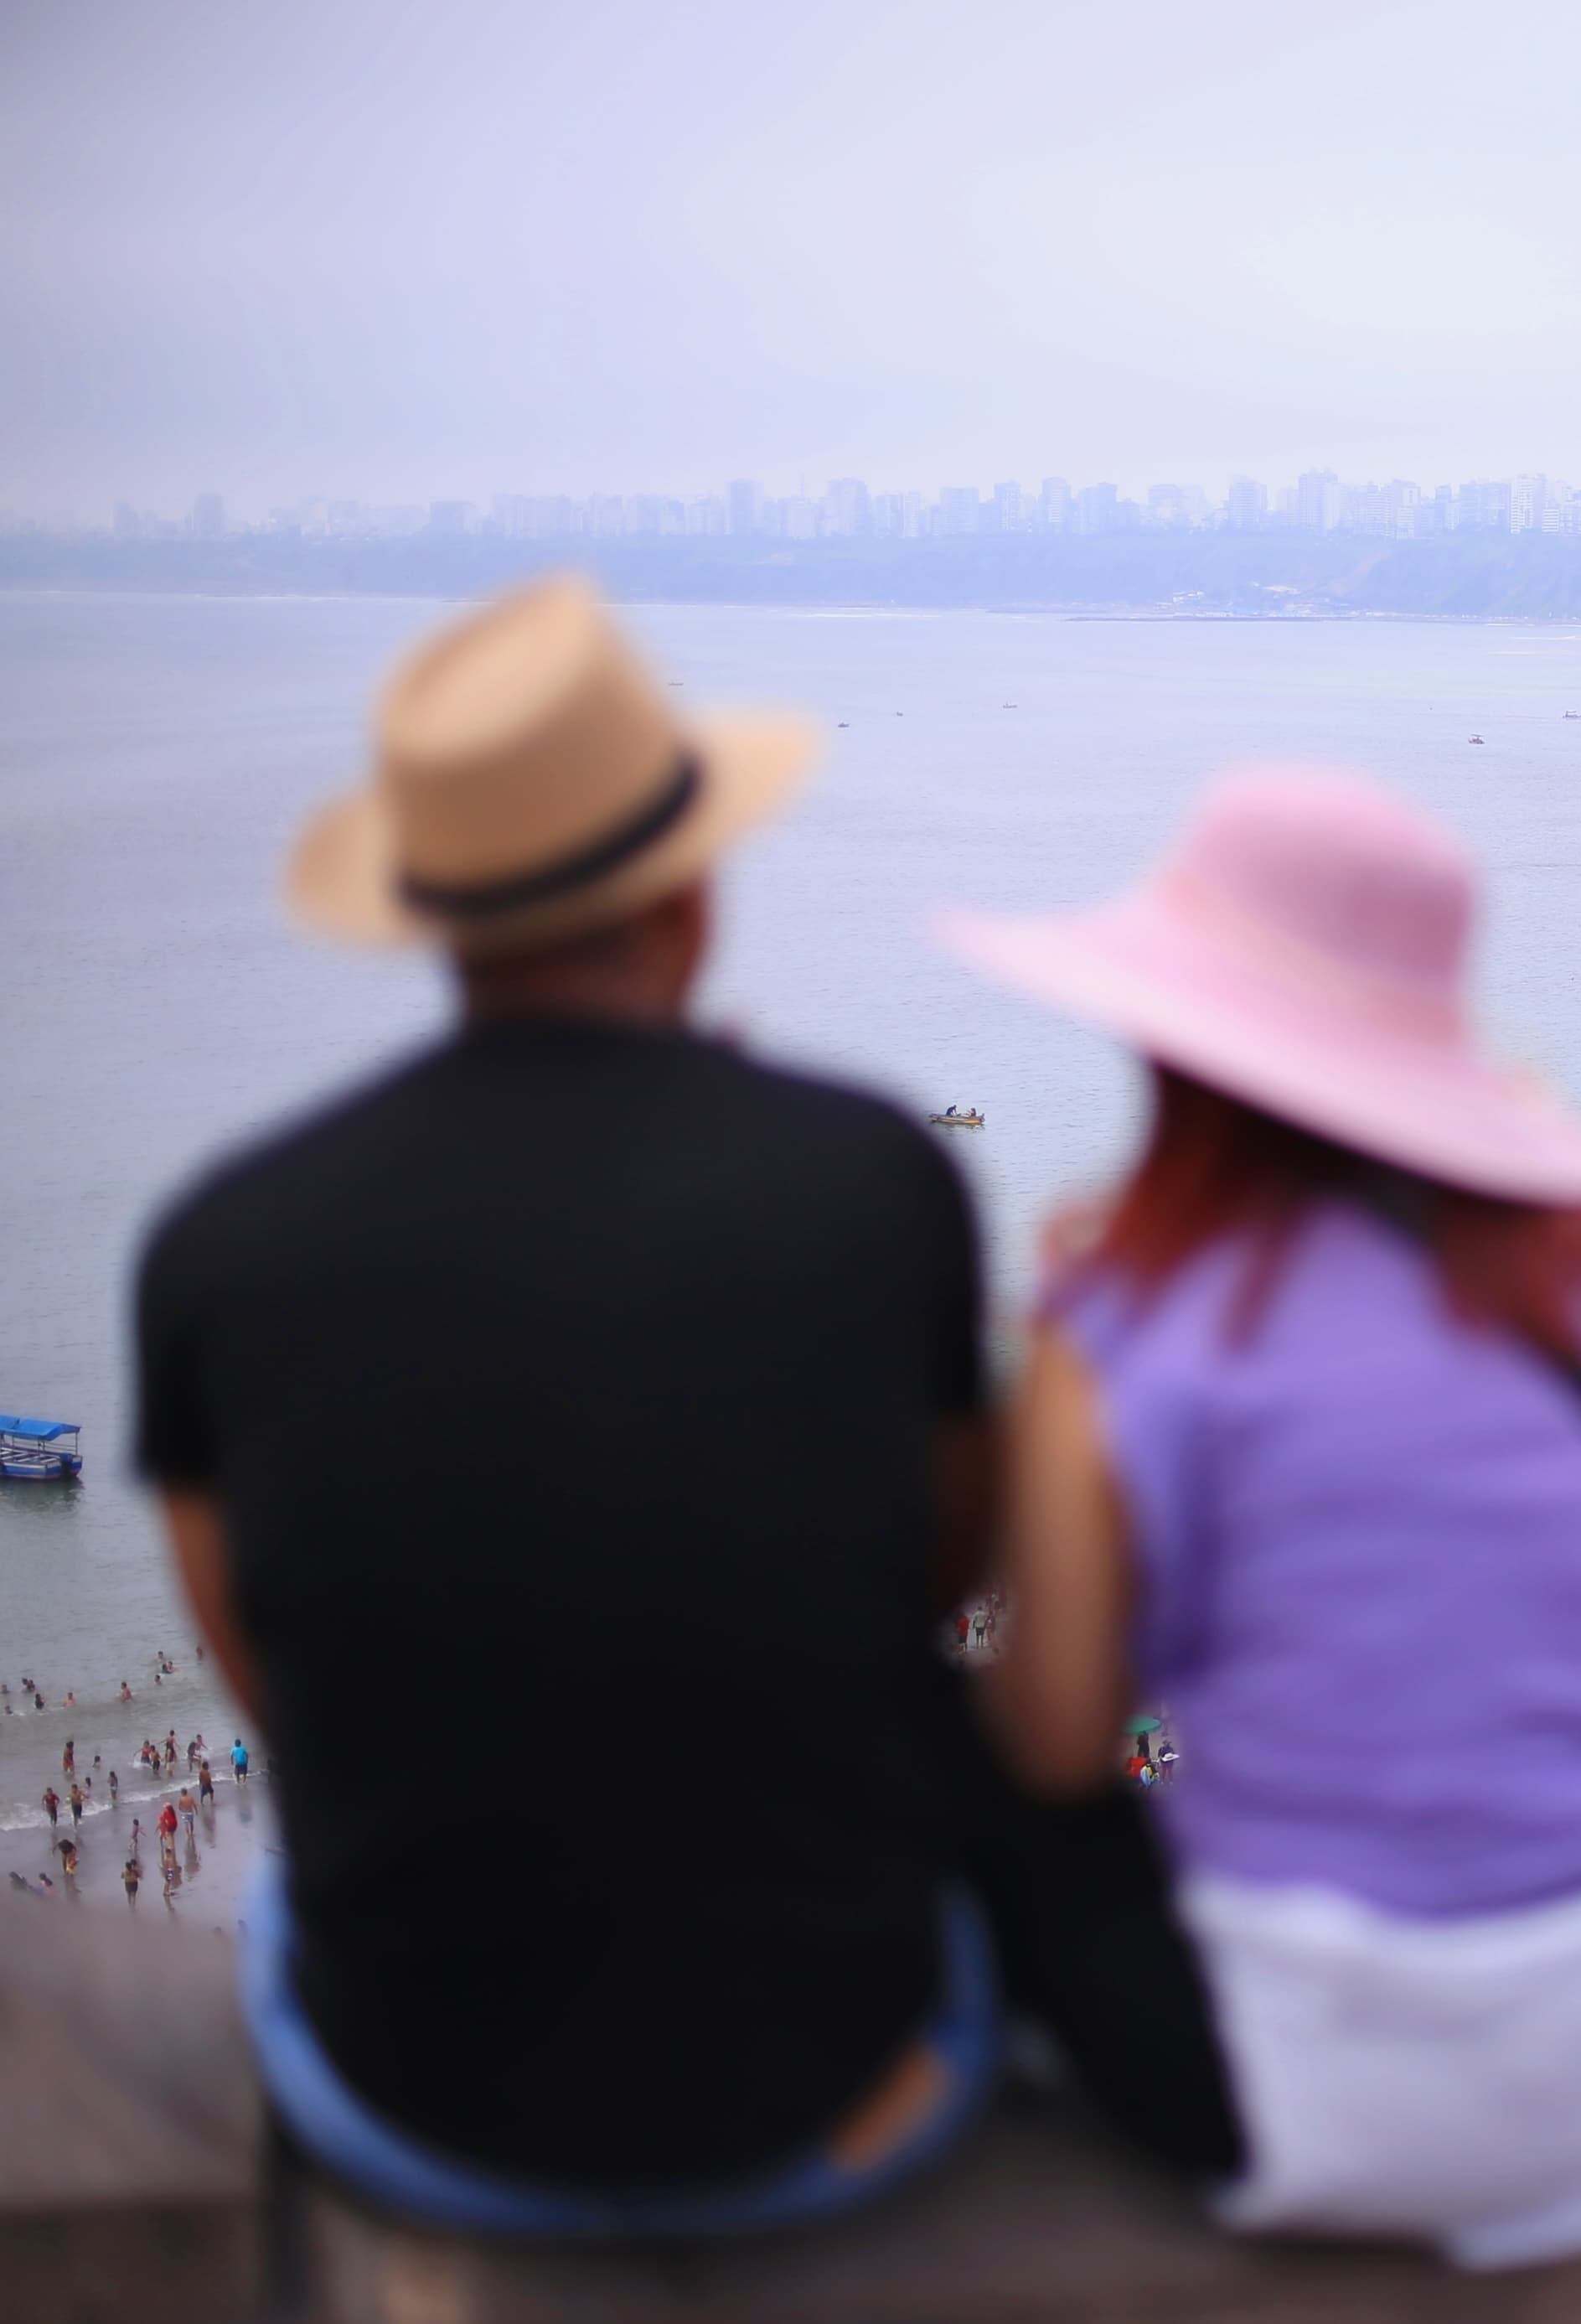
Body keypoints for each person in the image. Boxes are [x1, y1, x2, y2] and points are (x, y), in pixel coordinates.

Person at [956, 774, 1581, 2269]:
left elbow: (1055, 1739)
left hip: (1348, 2105)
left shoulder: (1125, 1330)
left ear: (1175, 1049)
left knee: (995, 1799)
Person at [133, 579, 1036, 2234]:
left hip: (417, 2105)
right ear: (690, 902)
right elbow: (940, 1578)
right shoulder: (880, 1176)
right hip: (847, 2089)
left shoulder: (221, 1239)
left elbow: (271, 1680)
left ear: (433, 924)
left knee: (274, 1901)